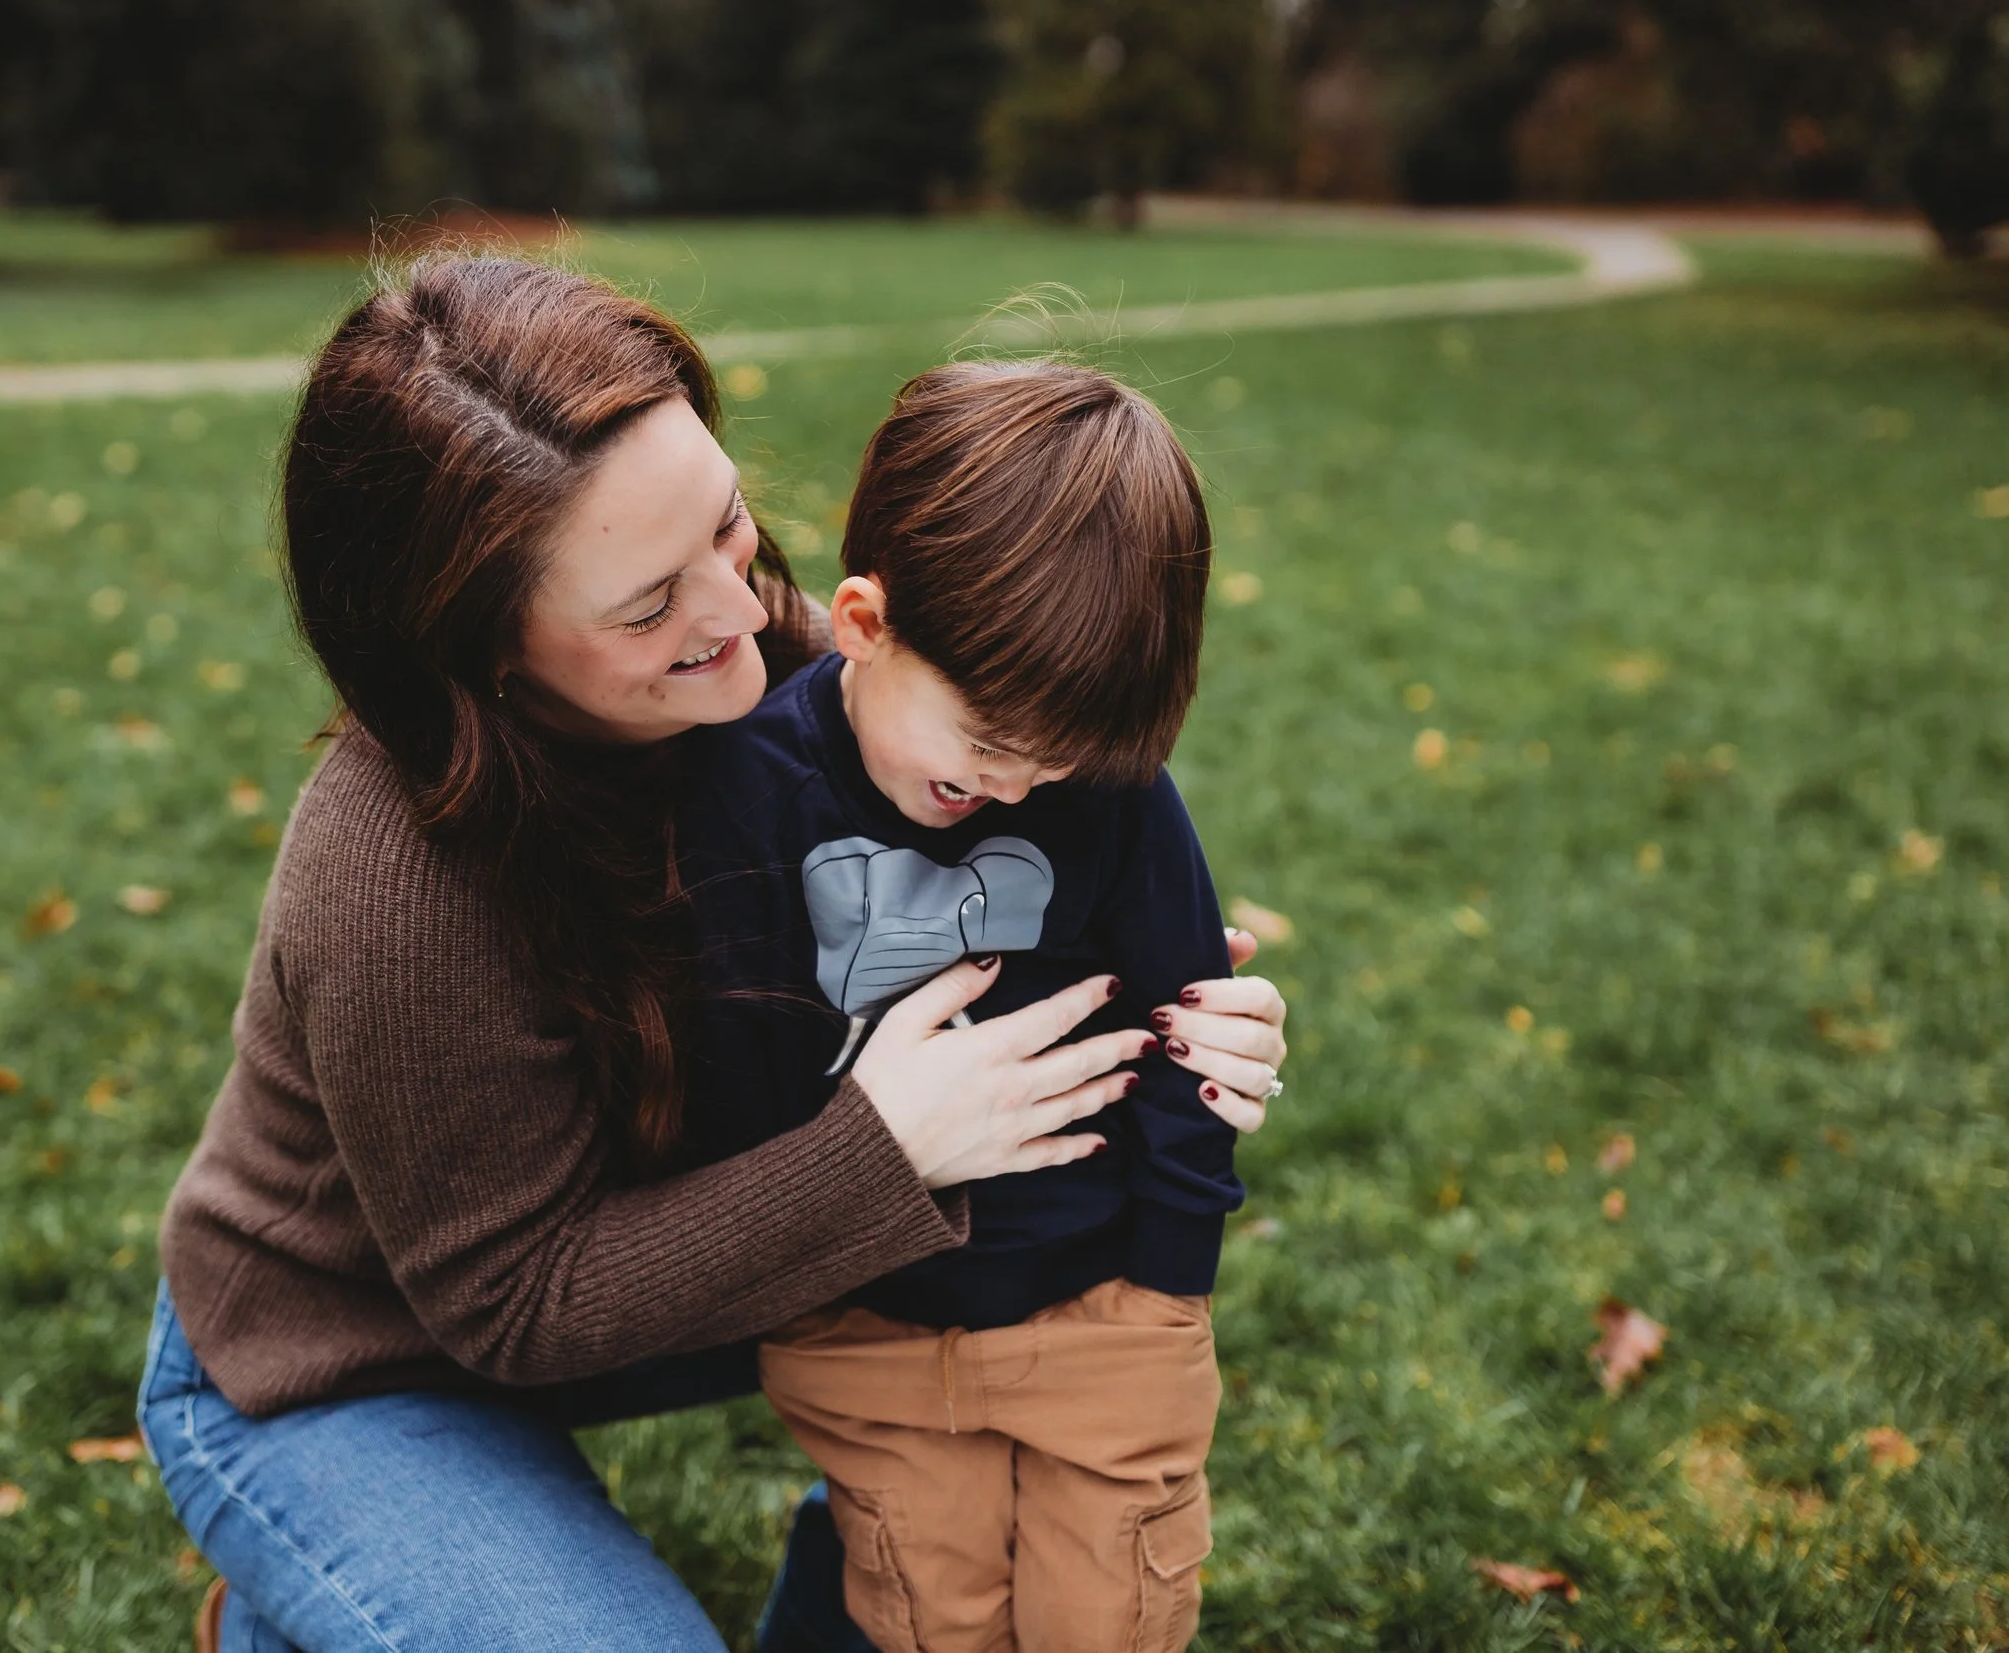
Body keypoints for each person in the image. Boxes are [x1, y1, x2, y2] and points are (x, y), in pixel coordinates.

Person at [139, 253, 1291, 1653]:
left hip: (705, 1293)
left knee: (963, 1551)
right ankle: (310, 1598)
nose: (746, 617)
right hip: (353, 1362)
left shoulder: (832, 685)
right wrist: (888, 1144)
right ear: (482, 653)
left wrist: (1181, 1018)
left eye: (729, 527)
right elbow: (516, 1302)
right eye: (646, 609)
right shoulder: (396, 879)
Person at [682, 360, 1248, 1652]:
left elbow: (1191, 1025)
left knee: (1108, 1612)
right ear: (864, 622)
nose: (1017, 787)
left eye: (1057, 763)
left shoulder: (1105, 790)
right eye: (987, 743)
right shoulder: (750, 795)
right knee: (935, 1618)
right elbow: (732, 1079)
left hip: (1102, 1306)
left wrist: (1169, 1285)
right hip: (872, 1334)